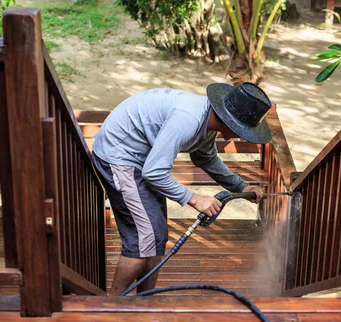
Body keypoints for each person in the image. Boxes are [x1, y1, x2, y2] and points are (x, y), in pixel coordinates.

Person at [92, 82, 274, 295]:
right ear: (229, 121)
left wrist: (241, 186)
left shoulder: (208, 121)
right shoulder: (189, 119)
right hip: (120, 157)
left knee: (156, 235)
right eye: (243, 129)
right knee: (144, 238)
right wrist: (195, 199)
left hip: (141, 161)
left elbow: (205, 157)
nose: (241, 135)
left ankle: (145, 299)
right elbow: (154, 172)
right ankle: (112, 304)